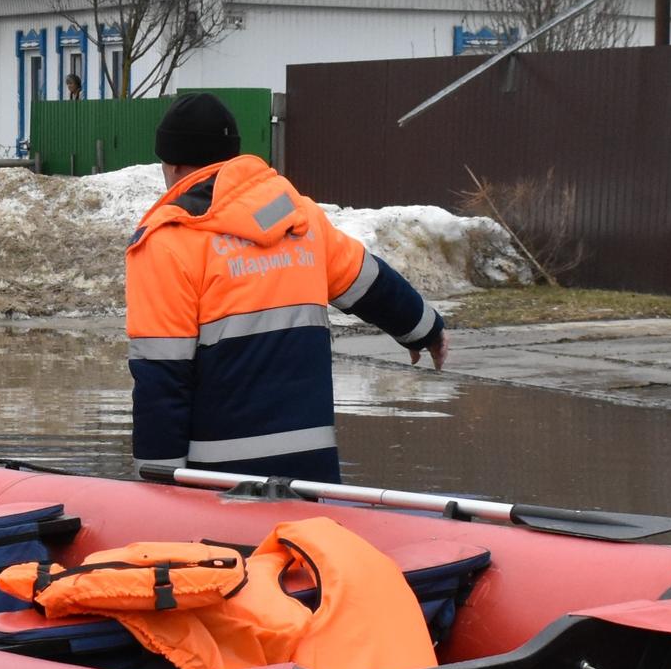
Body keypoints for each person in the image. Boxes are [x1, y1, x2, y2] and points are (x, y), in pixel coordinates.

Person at [125, 91, 445, 484]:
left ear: (172, 166)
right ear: (230, 157)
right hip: (312, 468)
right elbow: (367, 280)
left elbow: (162, 377)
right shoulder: (298, 219)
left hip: (221, 481)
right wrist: (424, 329)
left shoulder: (169, 241)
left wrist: (154, 482)